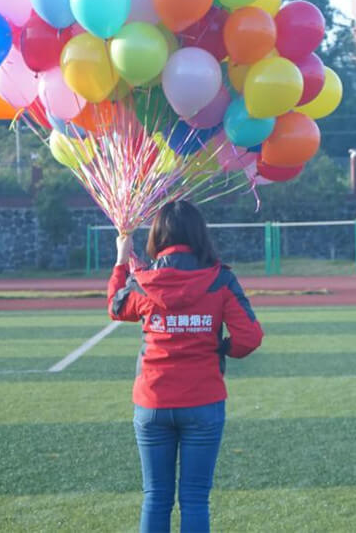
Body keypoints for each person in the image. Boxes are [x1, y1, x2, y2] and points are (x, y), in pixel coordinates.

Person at [107, 199, 263, 533]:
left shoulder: (144, 280)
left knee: (156, 497)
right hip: (204, 401)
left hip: (152, 401)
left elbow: (116, 307)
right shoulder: (220, 280)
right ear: (199, 234)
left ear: (158, 237)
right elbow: (249, 337)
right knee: (194, 499)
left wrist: (122, 261)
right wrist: (220, 348)